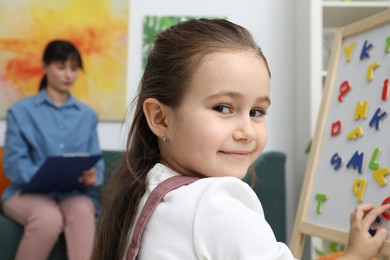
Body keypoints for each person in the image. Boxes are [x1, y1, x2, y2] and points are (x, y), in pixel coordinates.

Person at [91, 19, 390, 260]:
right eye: (223, 108)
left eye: (257, 111)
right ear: (160, 118)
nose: (246, 131)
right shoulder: (215, 206)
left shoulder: (151, 191)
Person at [2, 40, 105, 260]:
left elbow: (97, 165)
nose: (68, 74)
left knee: (82, 210)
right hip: (27, 194)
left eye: (74, 68)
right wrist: (45, 177)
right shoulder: (20, 112)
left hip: (73, 193)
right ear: (45, 66)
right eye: (61, 67)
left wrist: (92, 176)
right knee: (48, 218)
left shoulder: (87, 116)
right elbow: (13, 163)